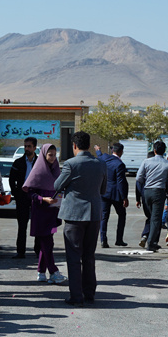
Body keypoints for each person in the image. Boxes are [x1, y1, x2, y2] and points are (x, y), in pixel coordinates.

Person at [53, 131, 106, 306]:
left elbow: (57, 185)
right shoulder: (100, 164)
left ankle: (76, 296)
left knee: (74, 257)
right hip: (94, 215)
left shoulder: (71, 164)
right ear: (89, 145)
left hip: (74, 216)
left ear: (74, 146)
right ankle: (89, 294)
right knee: (89, 256)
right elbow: (103, 189)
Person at [23, 143, 67, 284]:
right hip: (41, 211)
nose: (53, 158)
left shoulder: (55, 170)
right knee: (46, 242)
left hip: (52, 212)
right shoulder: (38, 170)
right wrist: (43, 199)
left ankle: (41, 272)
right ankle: (53, 271)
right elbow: (30, 192)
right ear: (44, 154)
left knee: (46, 243)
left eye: (55, 155)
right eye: (50, 155)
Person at [136, 141, 168, 251]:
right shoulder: (167, 163)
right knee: (156, 219)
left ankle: (151, 240)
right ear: (164, 151)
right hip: (158, 192)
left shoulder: (146, 162)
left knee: (151, 217)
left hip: (147, 192)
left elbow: (138, 178)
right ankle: (151, 243)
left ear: (154, 150)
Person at [9, 137, 38, 258]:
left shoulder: (40, 163)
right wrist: (16, 193)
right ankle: (20, 251)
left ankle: (39, 251)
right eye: (25, 146)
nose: (26, 148)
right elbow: (12, 179)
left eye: (29, 146)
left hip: (36, 197)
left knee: (37, 224)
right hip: (22, 197)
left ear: (34, 148)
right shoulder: (18, 162)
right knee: (22, 225)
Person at [99, 142, 129, 249]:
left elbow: (99, 155)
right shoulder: (119, 164)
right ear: (121, 152)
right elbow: (121, 182)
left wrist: (98, 150)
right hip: (116, 194)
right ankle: (119, 239)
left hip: (104, 192)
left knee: (104, 217)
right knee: (122, 215)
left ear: (112, 151)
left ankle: (103, 240)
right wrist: (124, 197)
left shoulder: (104, 158)